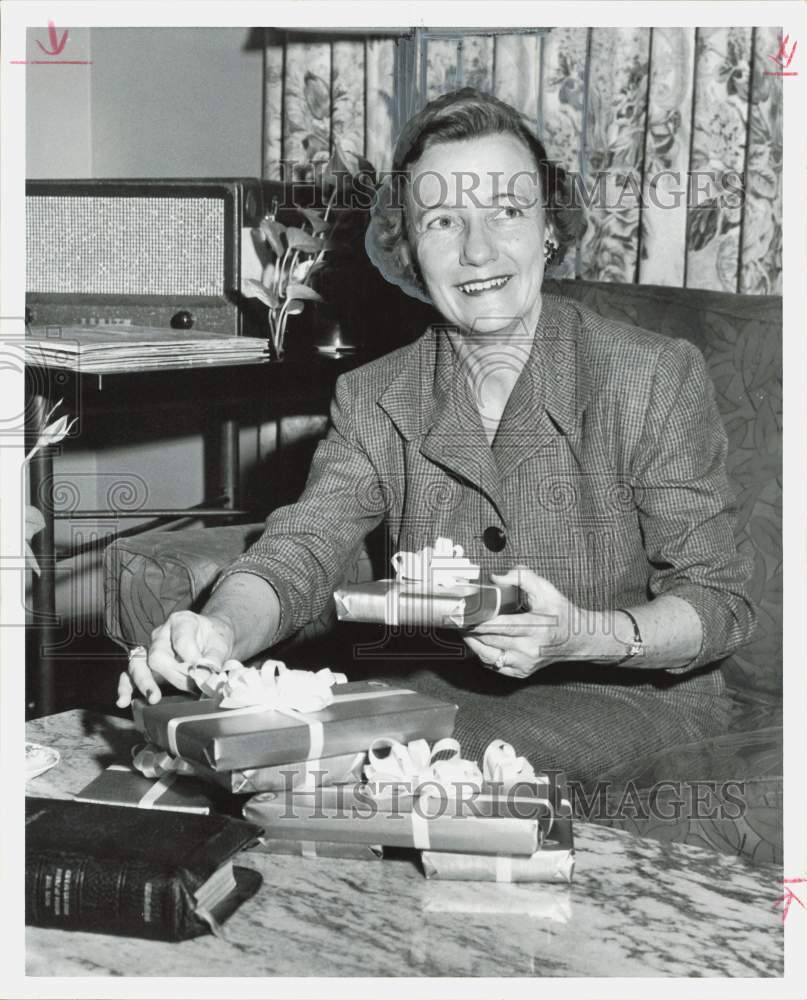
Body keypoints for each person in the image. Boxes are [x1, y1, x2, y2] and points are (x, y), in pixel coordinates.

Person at [117, 88, 756, 780]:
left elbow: (718, 601)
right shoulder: (374, 396)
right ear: (410, 252)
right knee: (252, 739)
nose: (477, 250)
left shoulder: (651, 375)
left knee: (376, 768)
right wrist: (216, 629)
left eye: (505, 212)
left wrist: (583, 635)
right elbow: (301, 549)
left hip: (630, 697)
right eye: (443, 221)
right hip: (435, 697)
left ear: (548, 228)